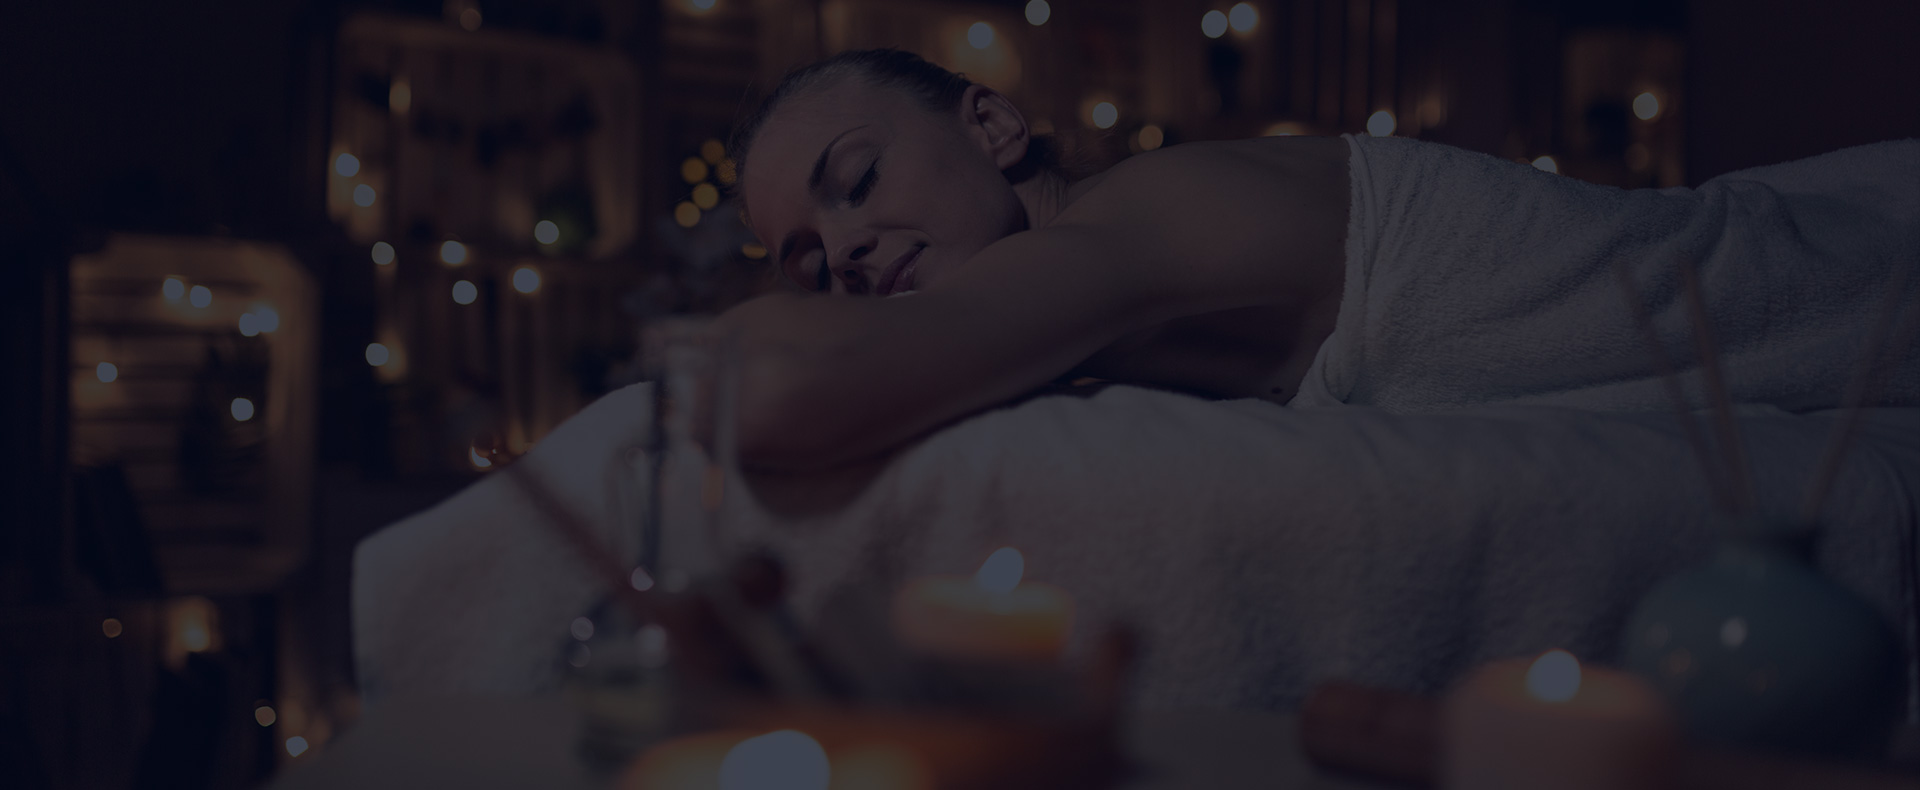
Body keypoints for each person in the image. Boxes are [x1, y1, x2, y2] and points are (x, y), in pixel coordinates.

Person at [718, 48, 1920, 475]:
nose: (845, 253)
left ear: (992, 126)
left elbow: (782, 388)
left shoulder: (1132, 228)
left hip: (1850, 282)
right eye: (806, 263)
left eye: (856, 180)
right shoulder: (1102, 284)